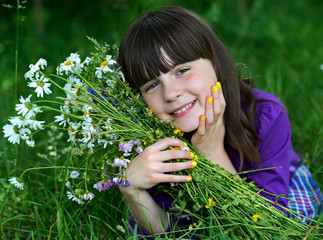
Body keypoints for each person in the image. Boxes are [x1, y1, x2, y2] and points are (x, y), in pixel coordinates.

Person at [117, 6, 322, 238]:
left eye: (182, 70)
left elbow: (265, 225)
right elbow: (166, 232)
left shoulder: (265, 115)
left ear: (215, 63)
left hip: (271, 199)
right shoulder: (149, 140)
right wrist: (131, 189)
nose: (170, 93)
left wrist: (211, 151)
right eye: (152, 85)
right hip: (202, 211)